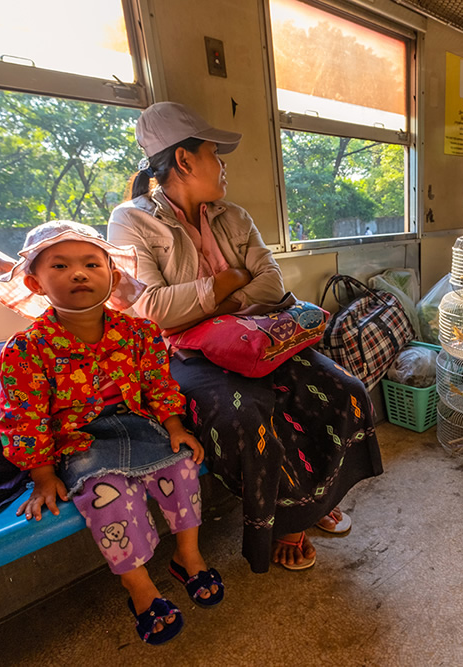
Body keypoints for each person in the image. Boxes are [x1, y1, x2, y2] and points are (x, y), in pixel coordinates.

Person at [107, 102, 382, 573]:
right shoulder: (131, 222)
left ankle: (314, 500)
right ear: (185, 161)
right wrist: (226, 281)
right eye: (215, 153)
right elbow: (151, 311)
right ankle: (289, 518)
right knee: (249, 414)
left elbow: (271, 284)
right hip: (185, 353)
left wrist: (219, 300)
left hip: (255, 333)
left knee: (345, 390)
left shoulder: (232, 215)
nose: (223, 165)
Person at [0, 221, 222, 645]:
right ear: (34, 282)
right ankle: (138, 586)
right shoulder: (26, 349)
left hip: (138, 422)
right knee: (108, 495)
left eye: (91, 263)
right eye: (59, 265)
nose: (79, 273)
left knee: (183, 468)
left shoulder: (140, 333)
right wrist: (42, 474)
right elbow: (24, 417)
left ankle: (187, 555)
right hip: (79, 438)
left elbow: (158, 384)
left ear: (112, 277)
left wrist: (174, 424)